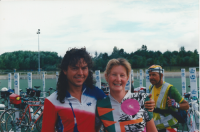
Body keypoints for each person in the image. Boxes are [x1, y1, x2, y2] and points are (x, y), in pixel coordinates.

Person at [41, 48, 155, 132]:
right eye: (75, 68)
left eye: (84, 68)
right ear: (65, 70)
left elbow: (116, 108)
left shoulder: (97, 95)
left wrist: (147, 105)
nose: (80, 73)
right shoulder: (51, 101)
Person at [96, 58, 158, 132]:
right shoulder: (100, 105)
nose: (118, 79)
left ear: (127, 78)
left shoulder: (142, 99)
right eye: (114, 74)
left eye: (122, 75)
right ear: (106, 77)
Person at [147, 65, 189, 132]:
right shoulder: (151, 87)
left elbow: (186, 105)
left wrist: (176, 105)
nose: (151, 77)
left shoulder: (170, 88)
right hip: (156, 126)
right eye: (150, 75)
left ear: (161, 75)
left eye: (154, 75)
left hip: (170, 126)